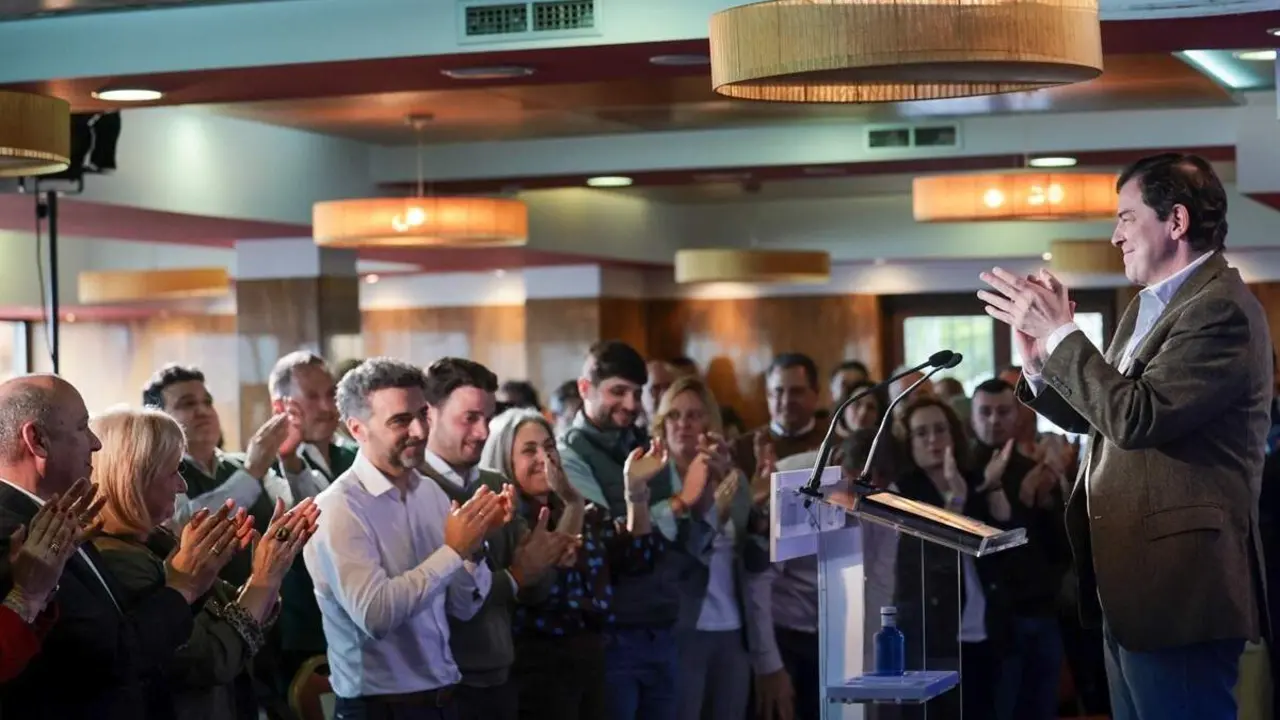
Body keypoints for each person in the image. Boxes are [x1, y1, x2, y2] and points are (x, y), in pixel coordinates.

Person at [979, 152, 1270, 720]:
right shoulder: (1149, 307)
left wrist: (1064, 332)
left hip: (1180, 591)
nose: (1114, 236)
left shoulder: (1220, 310)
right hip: (1133, 587)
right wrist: (1040, 362)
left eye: (1126, 217)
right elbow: (1103, 416)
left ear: (1176, 222)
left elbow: (1139, 418)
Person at [0, 375, 233, 718]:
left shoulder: (54, 516)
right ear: (37, 440)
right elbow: (109, 658)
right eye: (82, 428)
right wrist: (181, 587)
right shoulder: (12, 531)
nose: (95, 444)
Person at [303, 358, 512, 720]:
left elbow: (464, 607)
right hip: (379, 709)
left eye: (422, 415)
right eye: (400, 420)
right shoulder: (338, 508)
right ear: (357, 429)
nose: (418, 430)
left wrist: (475, 544)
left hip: (444, 697)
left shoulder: (429, 492)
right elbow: (377, 616)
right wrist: (452, 550)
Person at [90, 406, 321, 720]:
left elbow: (228, 619)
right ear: (133, 478)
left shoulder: (155, 544)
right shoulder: (117, 560)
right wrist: (266, 577)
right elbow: (209, 659)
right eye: (173, 472)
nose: (182, 486)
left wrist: (260, 569)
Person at [481, 408, 662, 720]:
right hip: (535, 667)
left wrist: (635, 494)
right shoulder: (506, 521)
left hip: (594, 658)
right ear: (505, 461)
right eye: (529, 450)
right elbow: (542, 583)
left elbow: (639, 557)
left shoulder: (584, 513)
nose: (544, 458)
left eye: (549, 447)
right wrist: (573, 505)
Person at [419, 358, 570, 720]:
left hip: (500, 674)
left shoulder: (491, 481)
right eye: (469, 418)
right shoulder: (416, 488)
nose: (483, 432)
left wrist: (537, 563)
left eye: (488, 417)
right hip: (443, 684)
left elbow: (537, 586)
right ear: (429, 414)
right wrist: (516, 576)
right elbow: (437, 600)